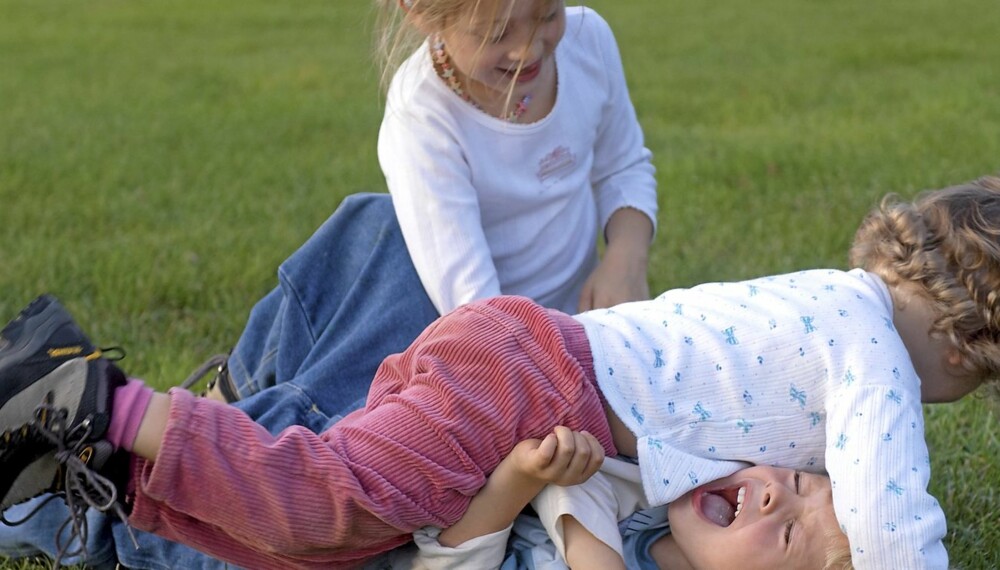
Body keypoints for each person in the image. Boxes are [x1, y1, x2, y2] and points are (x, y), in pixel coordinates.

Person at [2, 175, 999, 569]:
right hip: (523, 380)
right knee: (322, 508)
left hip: (519, 368)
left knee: (306, 541)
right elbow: (893, 522)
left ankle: (98, 465)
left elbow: (620, 489)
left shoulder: (825, 301)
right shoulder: (870, 353)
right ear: (962, 351)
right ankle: (90, 396)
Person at [374, 0, 658, 315]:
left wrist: (626, 257)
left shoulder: (587, 40)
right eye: (496, 35)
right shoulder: (421, 115)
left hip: (588, 322)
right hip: (497, 342)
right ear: (421, 13)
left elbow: (622, 167)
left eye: (548, 15)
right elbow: (472, 304)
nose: (529, 51)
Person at [375, 430, 851, 569]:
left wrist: (519, 478)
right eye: (797, 481)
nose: (774, 497)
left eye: (790, 533)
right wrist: (524, 475)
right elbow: (578, 476)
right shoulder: (667, 493)